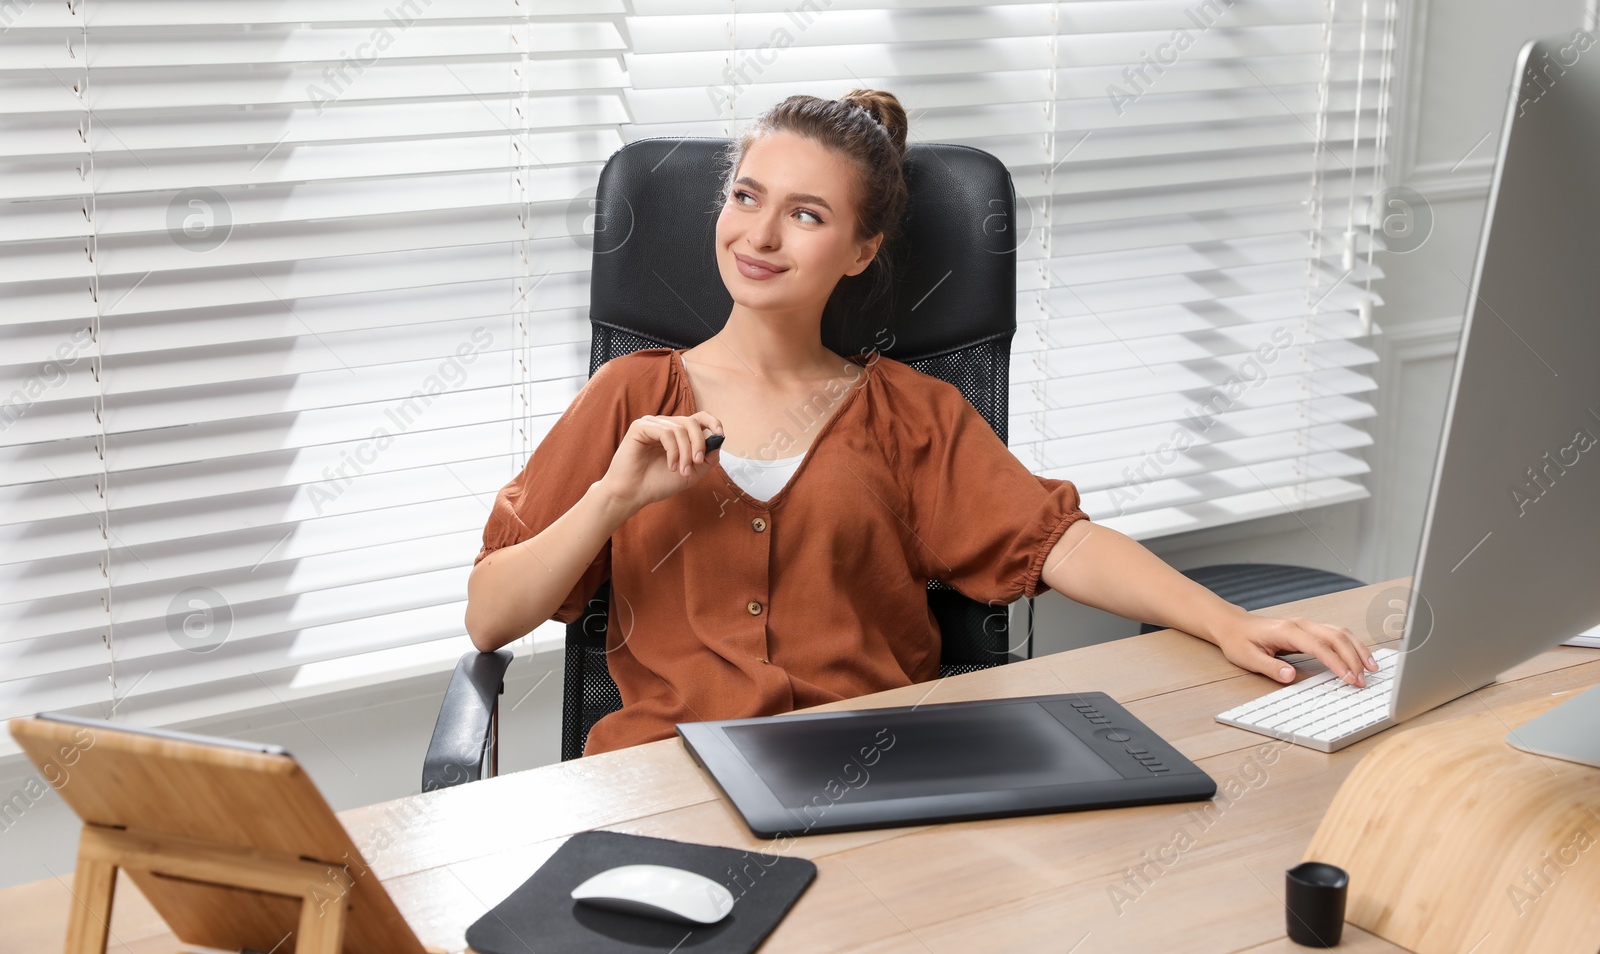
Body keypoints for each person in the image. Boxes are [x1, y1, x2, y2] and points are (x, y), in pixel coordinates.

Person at [466, 89, 1378, 756]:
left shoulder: (910, 412)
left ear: (860, 250)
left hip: (869, 781)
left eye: (806, 214)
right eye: (746, 196)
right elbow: (489, 618)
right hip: (662, 781)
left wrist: (1224, 622)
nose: (760, 235)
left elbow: (1059, 543)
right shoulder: (633, 395)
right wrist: (611, 499)